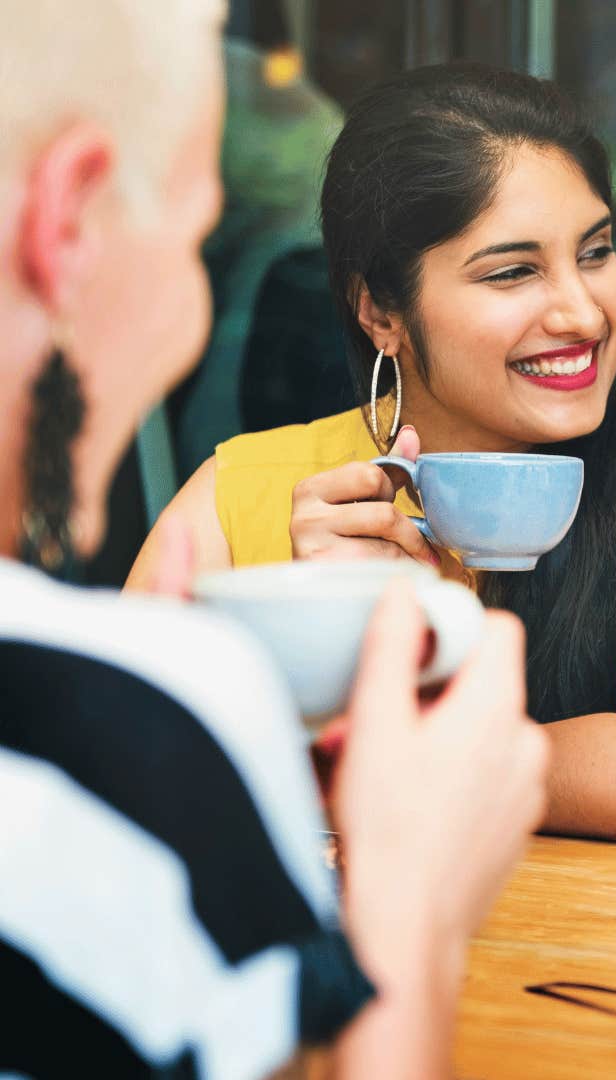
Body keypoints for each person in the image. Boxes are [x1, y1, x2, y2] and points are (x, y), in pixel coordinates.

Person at [0, 1, 547, 1075]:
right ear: (67, 226)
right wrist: (412, 912)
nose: (191, 319)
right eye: (194, 239)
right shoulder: (98, 740)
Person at [128, 65, 616, 848]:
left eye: (596, 252)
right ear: (381, 312)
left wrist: (357, 760)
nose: (583, 313)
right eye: (513, 272)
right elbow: (118, 771)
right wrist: (315, 633)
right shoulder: (240, 496)